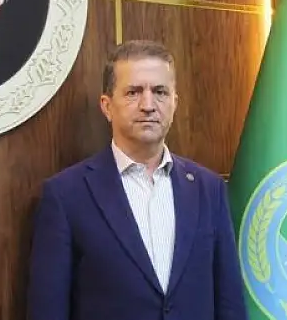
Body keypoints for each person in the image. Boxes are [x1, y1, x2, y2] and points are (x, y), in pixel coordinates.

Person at [27, 40, 247, 320]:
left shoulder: (209, 189)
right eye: (133, 92)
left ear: (174, 103)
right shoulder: (65, 195)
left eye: (160, 92)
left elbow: (229, 303)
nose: (148, 105)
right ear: (107, 106)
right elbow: (48, 310)